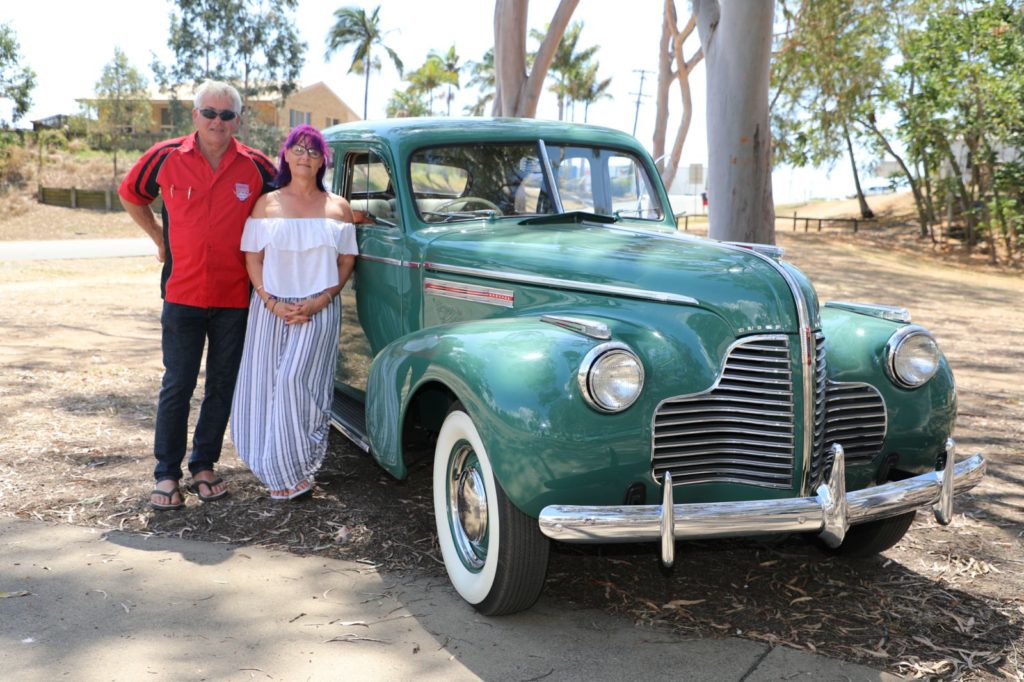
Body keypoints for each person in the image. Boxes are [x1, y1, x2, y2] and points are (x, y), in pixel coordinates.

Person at [119, 80, 276, 511]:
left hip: (235, 298)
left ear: (238, 120)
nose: (217, 122)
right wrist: (158, 237)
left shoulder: (257, 166)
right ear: (195, 115)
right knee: (178, 383)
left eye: (227, 115)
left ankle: (203, 465)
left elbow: (287, 205)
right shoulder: (165, 157)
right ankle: (166, 474)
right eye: (209, 113)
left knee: (222, 385)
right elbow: (131, 194)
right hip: (182, 293)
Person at [230, 124, 358, 501]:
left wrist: (323, 298)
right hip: (271, 309)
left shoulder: (338, 207)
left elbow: (347, 259)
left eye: (314, 151)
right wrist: (270, 301)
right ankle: (278, 473)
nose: (306, 156)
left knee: (297, 384)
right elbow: (252, 257)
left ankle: (296, 465)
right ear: (285, 154)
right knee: (267, 386)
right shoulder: (266, 203)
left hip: (319, 308)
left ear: (323, 160)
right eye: (298, 149)